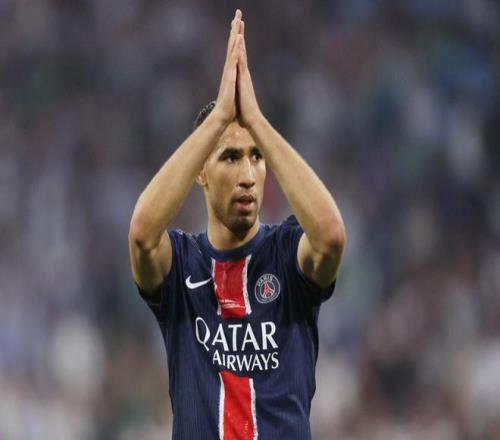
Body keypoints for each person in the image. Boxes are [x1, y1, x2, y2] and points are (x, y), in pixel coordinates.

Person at [129, 9, 346, 440]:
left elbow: (330, 237)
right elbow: (142, 235)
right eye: (230, 157)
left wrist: (257, 122)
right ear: (201, 172)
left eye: (256, 157)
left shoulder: (287, 253)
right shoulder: (182, 265)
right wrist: (218, 119)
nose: (248, 175)